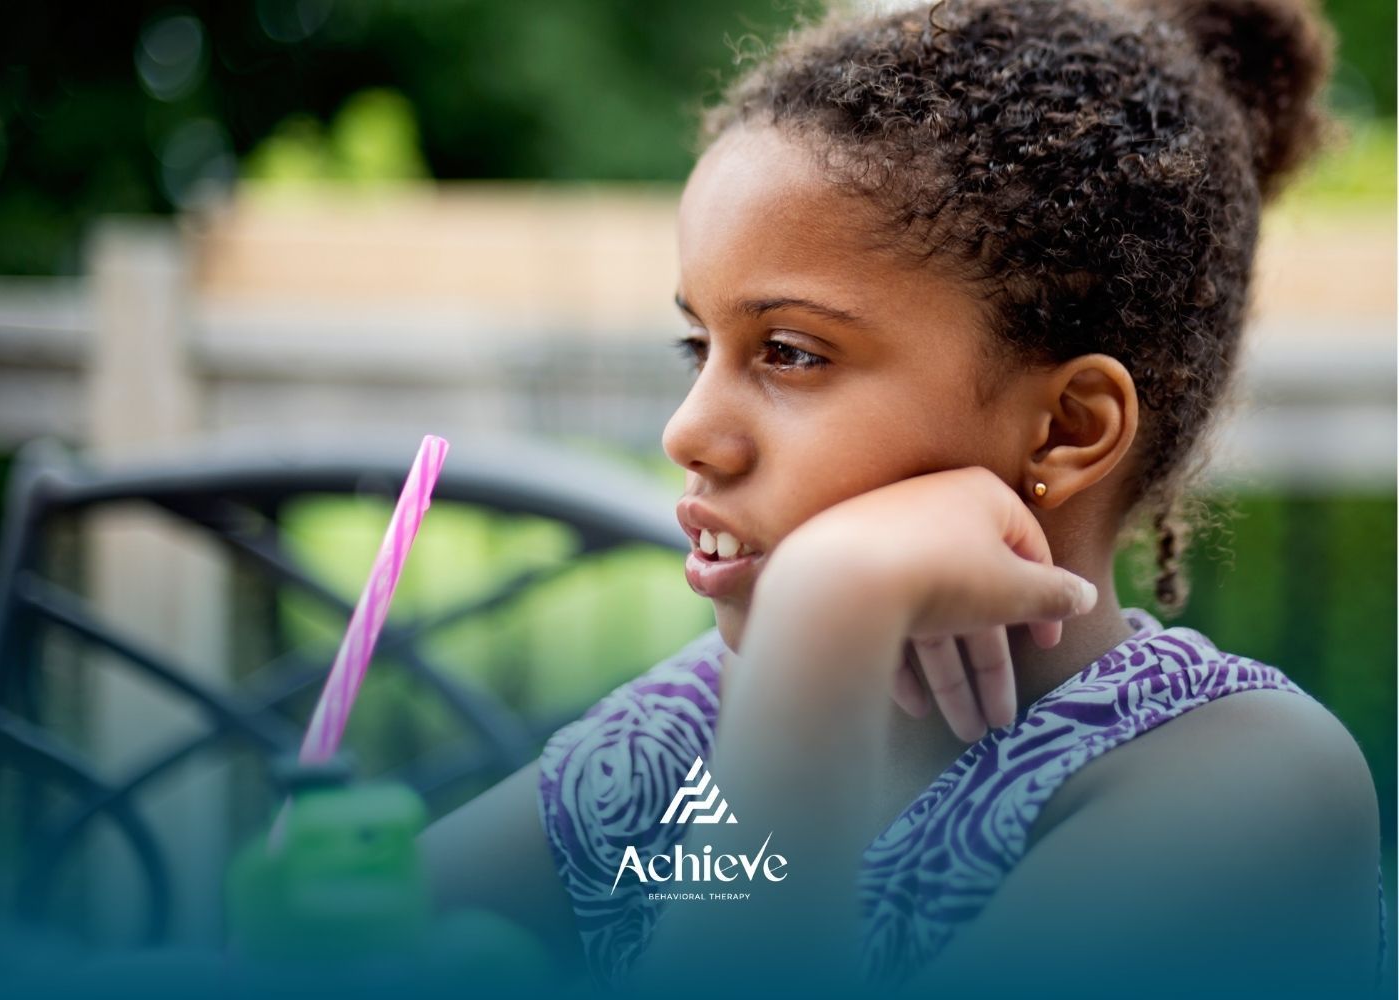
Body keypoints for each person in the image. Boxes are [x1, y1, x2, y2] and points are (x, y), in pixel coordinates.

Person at [418, 0, 1386, 996]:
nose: (686, 431)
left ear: (1067, 427)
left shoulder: (1252, 792)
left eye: (789, 353)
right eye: (695, 347)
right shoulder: (692, 723)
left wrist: (828, 611)